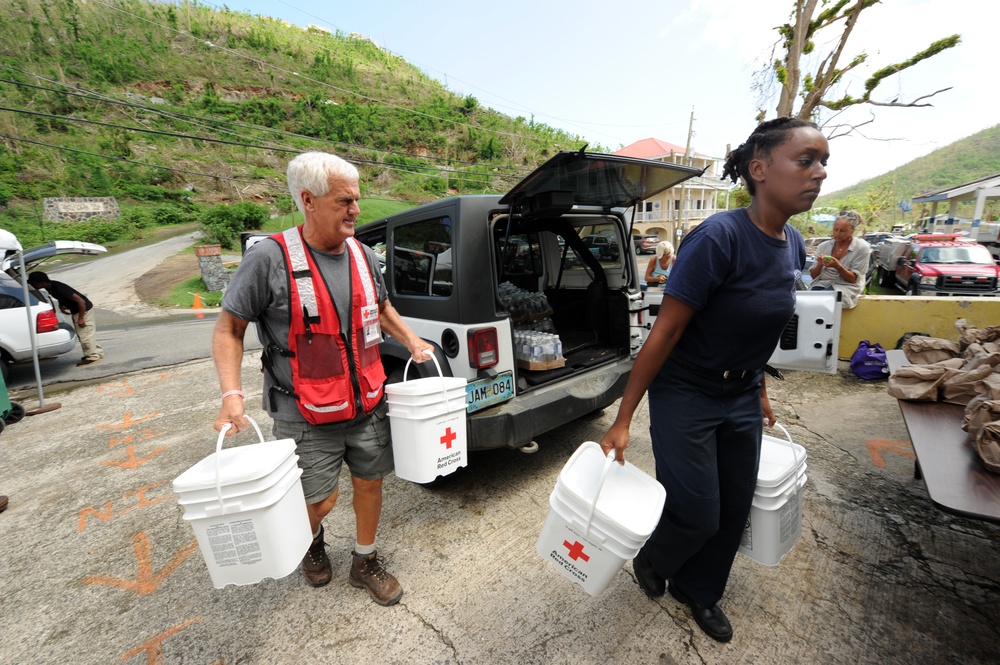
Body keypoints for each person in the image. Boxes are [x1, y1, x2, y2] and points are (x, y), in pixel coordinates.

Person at [599, 117, 827, 642]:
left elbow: (760, 324)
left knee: (733, 505)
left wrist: (760, 387)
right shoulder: (719, 238)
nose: (818, 173)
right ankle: (655, 558)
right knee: (698, 511)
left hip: (742, 391)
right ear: (760, 169)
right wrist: (624, 417)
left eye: (823, 163)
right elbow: (665, 332)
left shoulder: (791, 244)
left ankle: (699, 590)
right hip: (688, 390)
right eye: (805, 160)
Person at [213, 151, 433, 606]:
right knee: (320, 501)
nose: (356, 209)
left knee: (371, 484)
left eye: (357, 199)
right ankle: (313, 544)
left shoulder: (363, 254)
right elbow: (228, 328)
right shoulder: (269, 259)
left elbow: (383, 307)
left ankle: (364, 560)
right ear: (308, 200)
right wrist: (231, 395)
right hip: (303, 409)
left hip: (366, 400)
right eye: (345, 201)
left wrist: (412, 341)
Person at [26, 271, 104, 366]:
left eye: (34, 283)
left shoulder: (58, 287)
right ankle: (97, 352)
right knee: (86, 332)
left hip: (83, 310)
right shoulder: (51, 287)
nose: (33, 286)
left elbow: (81, 301)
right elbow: (62, 297)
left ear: (42, 282)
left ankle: (92, 357)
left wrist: (81, 318)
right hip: (77, 310)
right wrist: (61, 305)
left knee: (84, 334)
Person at [809, 210, 871, 309]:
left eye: (842, 231)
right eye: (835, 230)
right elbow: (813, 276)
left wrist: (838, 266)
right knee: (809, 301)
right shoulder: (823, 246)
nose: (837, 234)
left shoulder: (862, 248)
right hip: (823, 283)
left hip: (846, 286)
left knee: (821, 302)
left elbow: (853, 279)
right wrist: (820, 265)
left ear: (852, 230)